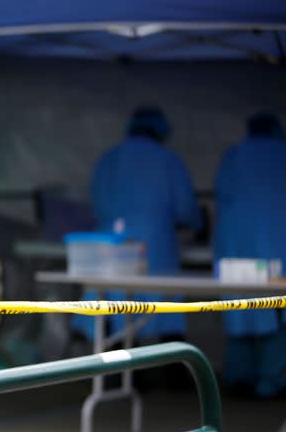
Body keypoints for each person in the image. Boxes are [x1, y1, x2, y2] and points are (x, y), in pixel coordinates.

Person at [72, 107, 203, 343]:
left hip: (112, 251)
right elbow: (186, 210)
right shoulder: (168, 159)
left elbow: (97, 205)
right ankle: (162, 375)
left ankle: (117, 376)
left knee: (112, 320)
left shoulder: (109, 158)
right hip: (156, 250)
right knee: (162, 317)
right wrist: (194, 225)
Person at [214, 112, 286, 398]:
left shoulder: (233, 156)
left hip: (235, 245)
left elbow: (222, 196)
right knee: (277, 312)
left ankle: (239, 378)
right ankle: (271, 380)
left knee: (239, 308)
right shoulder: (282, 154)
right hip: (276, 245)